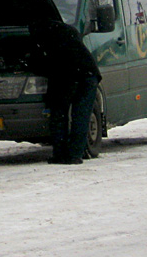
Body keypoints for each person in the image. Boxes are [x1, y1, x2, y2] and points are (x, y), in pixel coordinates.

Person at [30, 16, 102, 165]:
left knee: (61, 115)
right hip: (88, 75)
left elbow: (47, 67)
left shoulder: (46, 40)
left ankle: (66, 154)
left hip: (74, 76)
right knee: (80, 116)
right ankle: (73, 154)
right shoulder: (64, 32)